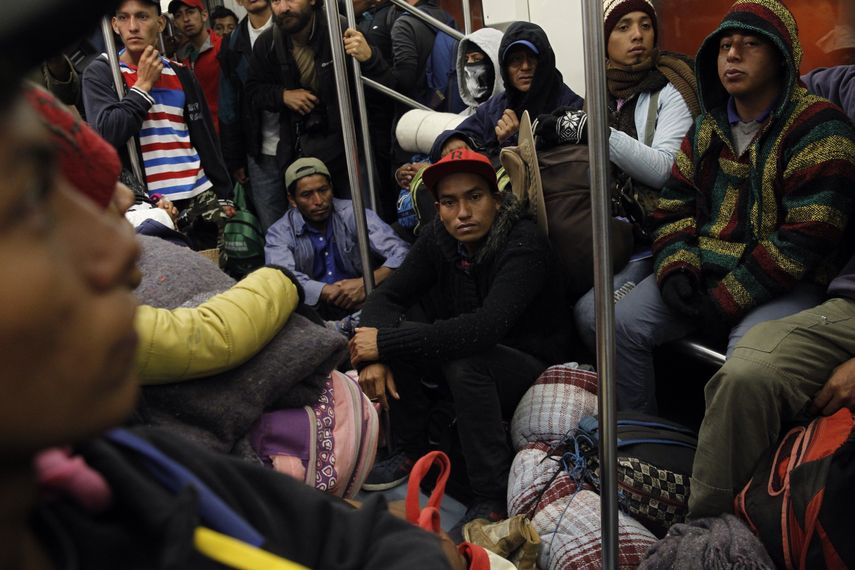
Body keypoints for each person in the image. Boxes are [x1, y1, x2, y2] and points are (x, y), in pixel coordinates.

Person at [611, 0, 855, 415]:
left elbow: (805, 241)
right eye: (724, 46)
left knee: (748, 363)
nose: (732, 56)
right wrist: (676, 270)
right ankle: (644, 446)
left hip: (788, 284)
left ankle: (746, 473)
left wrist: (726, 299)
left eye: (749, 46)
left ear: (780, 57)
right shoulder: (708, 126)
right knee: (619, 324)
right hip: (704, 269)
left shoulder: (820, 128)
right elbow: (674, 206)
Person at [349, 149, 570, 537]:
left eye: (474, 197)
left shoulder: (523, 242)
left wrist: (385, 343)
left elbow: (485, 328)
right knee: (407, 325)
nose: (462, 212)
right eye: (449, 203)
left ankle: (491, 495)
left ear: (497, 201)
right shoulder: (441, 235)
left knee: (459, 359)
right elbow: (388, 297)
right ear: (438, 208)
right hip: (476, 348)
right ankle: (411, 449)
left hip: (535, 364)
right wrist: (373, 359)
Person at [550, 0, 699, 351]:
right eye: (624, 27)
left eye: (645, 25)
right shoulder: (601, 89)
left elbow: (666, 169)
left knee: (591, 314)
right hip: (616, 228)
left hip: (662, 232)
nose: (638, 35)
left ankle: (635, 404)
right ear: (605, 42)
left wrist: (594, 131)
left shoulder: (672, 87)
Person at [82, 0, 234, 253]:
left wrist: (223, 192)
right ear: (114, 25)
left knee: (214, 276)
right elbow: (106, 133)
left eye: (142, 17)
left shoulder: (181, 73)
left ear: (160, 23)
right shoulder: (103, 72)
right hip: (147, 205)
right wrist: (142, 87)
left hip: (199, 195)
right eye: (124, 18)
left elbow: (204, 135)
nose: (133, 27)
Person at [265, 157, 410, 320]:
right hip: (313, 314)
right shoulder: (279, 233)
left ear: (331, 189)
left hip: (363, 303)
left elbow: (402, 252)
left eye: (323, 190)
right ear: (292, 200)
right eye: (307, 195)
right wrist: (327, 291)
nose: (318, 201)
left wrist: (366, 282)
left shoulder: (353, 213)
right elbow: (281, 279)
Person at [245, 0, 359, 200]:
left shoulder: (340, 29)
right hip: (301, 144)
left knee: (362, 211)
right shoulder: (268, 42)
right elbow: (253, 90)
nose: (283, 8)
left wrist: (370, 57)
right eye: (276, 1)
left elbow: (375, 84)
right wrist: (282, 95)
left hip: (351, 145)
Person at [428, 21, 583, 163]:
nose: (525, 67)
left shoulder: (571, 106)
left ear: (545, 62)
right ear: (504, 68)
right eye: (516, 59)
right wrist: (451, 141)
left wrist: (515, 141)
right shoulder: (495, 108)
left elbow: (566, 165)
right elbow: (460, 135)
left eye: (532, 58)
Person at [218, 0, 286, 231]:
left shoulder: (289, 22)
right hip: (259, 150)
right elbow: (228, 106)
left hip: (300, 140)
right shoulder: (232, 43)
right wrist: (235, 158)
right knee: (273, 226)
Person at [170, 0, 224, 134]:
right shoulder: (178, 59)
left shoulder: (222, 48)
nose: (186, 19)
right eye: (179, 15)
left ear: (204, 15)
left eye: (190, 12)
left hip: (226, 133)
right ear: (175, 23)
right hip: (198, 137)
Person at [456, 28, 505, 117]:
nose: (469, 64)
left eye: (476, 58)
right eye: (466, 59)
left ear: (496, 64)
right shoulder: (462, 118)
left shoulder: (512, 115)